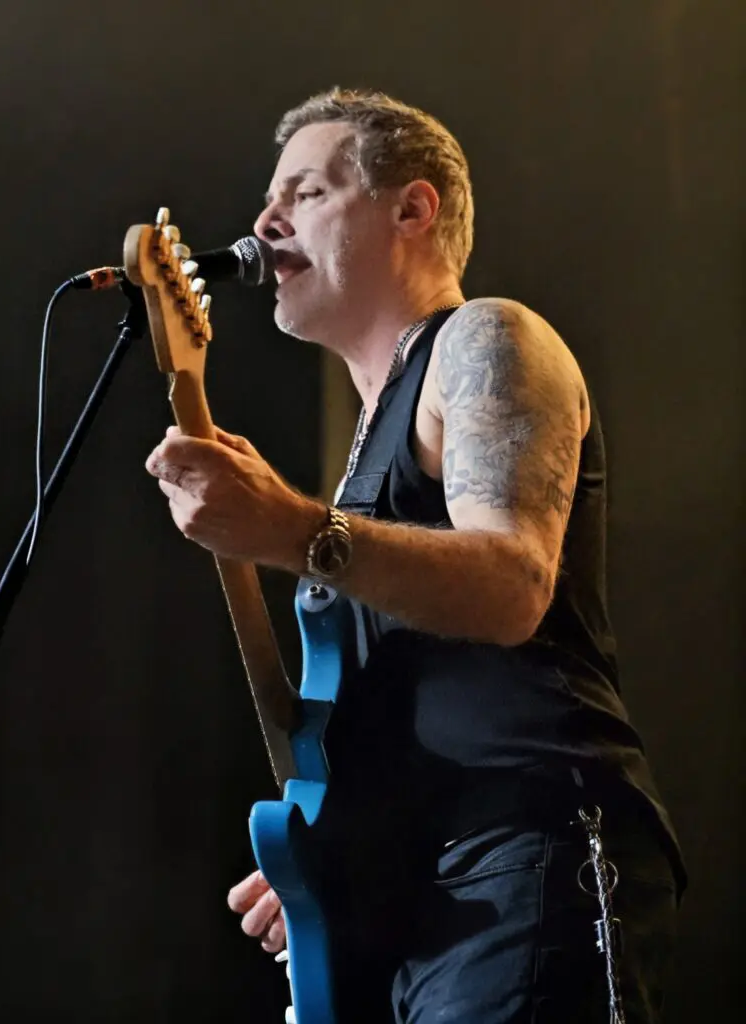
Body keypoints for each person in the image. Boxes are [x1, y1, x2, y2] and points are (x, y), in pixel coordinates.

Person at [145, 89, 685, 1023]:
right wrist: (338, 853)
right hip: (419, 904)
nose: (264, 223)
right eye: (269, 200)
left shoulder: (488, 338)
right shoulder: (365, 456)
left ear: (412, 209)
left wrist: (291, 529)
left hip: (524, 858)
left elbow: (513, 584)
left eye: (306, 192)